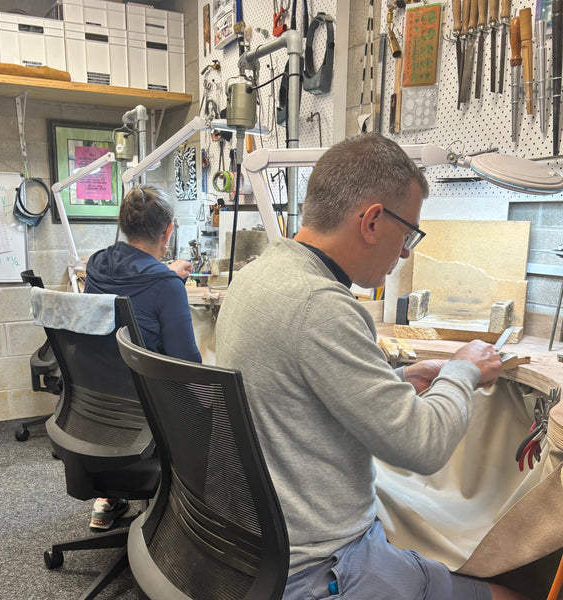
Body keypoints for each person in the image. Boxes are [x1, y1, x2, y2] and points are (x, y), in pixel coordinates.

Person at [215, 134, 528, 600]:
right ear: (373, 221)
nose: (405, 253)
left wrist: (397, 381)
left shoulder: (258, 275)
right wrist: (463, 370)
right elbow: (423, 446)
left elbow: (295, 396)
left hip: (255, 547)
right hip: (322, 567)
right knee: (512, 593)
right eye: (407, 235)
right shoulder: (322, 305)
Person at [85, 184, 202, 530]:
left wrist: (166, 273)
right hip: (146, 413)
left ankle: (110, 494)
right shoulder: (166, 286)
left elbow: (132, 282)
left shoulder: (96, 265)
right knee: (213, 408)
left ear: (124, 225)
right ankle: (189, 518)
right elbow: (187, 366)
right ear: (168, 231)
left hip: (95, 408)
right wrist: (168, 279)